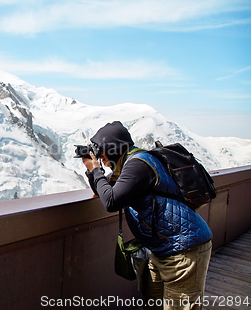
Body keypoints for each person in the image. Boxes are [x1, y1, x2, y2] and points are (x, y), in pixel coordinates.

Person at [82, 121, 212, 310]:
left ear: (113, 149)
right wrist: (91, 170)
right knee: (153, 303)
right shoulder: (128, 164)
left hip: (184, 250)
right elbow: (104, 190)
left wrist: (96, 169)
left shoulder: (138, 165)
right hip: (162, 249)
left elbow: (112, 202)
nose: (101, 158)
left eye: (101, 152)